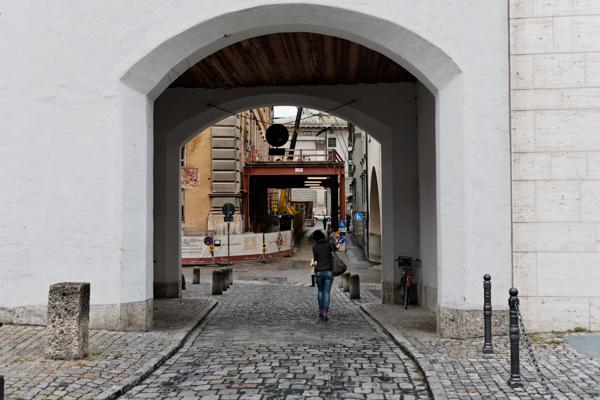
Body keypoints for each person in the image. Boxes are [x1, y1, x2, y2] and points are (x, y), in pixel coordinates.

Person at [311, 229, 339, 321]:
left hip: (318, 272)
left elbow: (315, 260)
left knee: (320, 291)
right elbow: (336, 248)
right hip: (328, 272)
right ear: (323, 236)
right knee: (326, 292)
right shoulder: (328, 245)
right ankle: (325, 313)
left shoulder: (315, 248)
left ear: (315, 238)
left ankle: (321, 311)